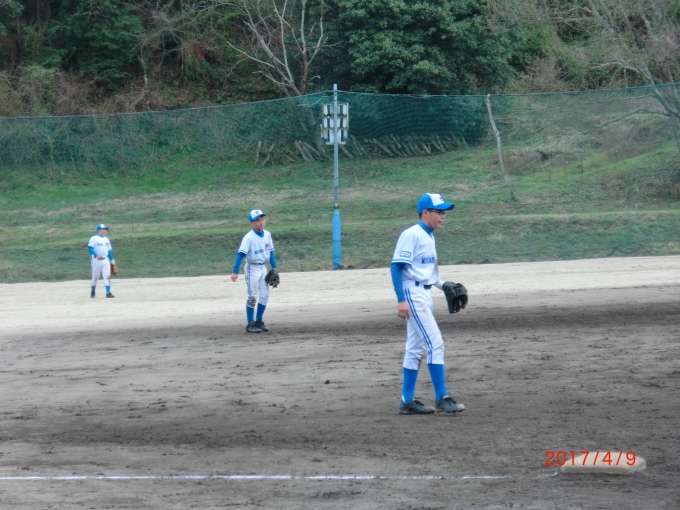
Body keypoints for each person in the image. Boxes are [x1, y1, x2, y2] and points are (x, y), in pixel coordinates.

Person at [390, 193, 467, 415]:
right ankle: (442, 397)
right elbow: (396, 267)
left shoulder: (429, 236)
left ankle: (407, 401)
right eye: (439, 212)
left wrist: (443, 285)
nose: (443, 216)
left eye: (444, 212)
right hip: (412, 294)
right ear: (425, 213)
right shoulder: (411, 234)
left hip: (424, 294)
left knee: (415, 347)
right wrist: (401, 300)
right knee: (435, 343)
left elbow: (427, 274)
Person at [231, 209, 277, 333]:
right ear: (251, 223)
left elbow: (271, 253)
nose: (261, 222)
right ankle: (250, 323)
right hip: (252, 268)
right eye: (257, 220)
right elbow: (240, 254)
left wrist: (275, 268)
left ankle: (258, 321)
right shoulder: (248, 238)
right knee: (253, 296)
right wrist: (235, 271)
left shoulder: (267, 235)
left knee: (265, 295)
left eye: (262, 219)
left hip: (263, 267)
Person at [88, 224, 116, 299]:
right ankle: (93, 291)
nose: (105, 231)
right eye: (103, 229)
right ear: (98, 230)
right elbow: (90, 248)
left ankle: (108, 293)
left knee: (107, 276)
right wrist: (96, 254)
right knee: (95, 277)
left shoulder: (106, 239)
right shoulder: (94, 238)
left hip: (105, 260)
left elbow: (109, 251)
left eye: (105, 229)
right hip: (96, 260)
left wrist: (112, 261)